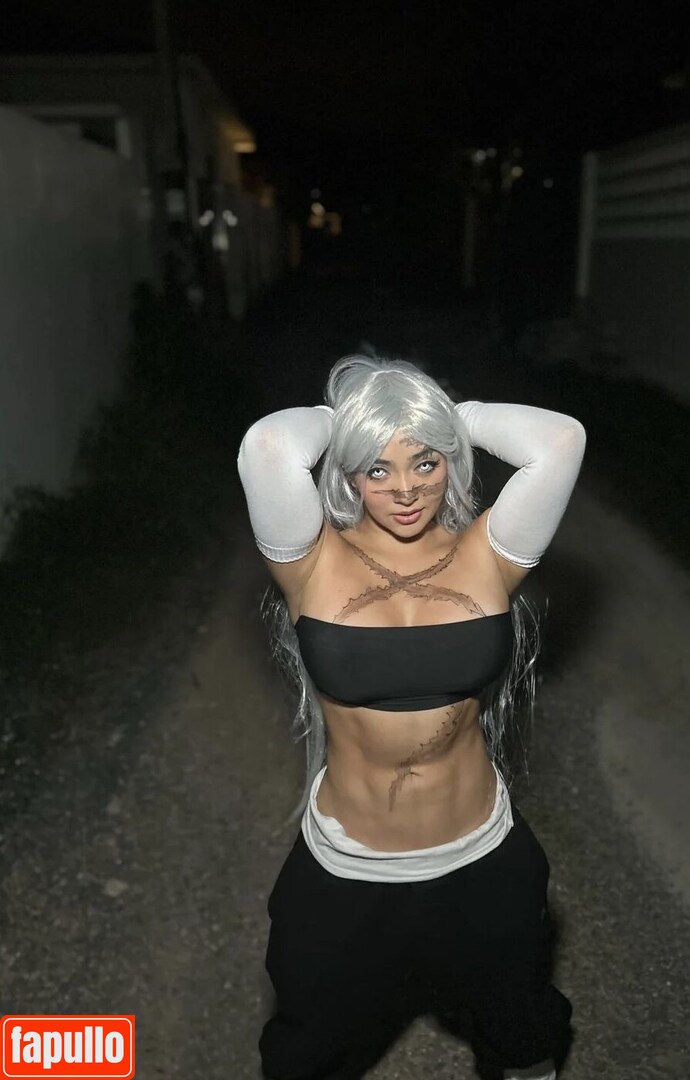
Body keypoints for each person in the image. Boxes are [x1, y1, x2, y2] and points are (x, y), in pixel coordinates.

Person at [237, 352, 587, 1080]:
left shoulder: (489, 553)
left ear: (449, 463)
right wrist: (361, 414)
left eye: (426, 463)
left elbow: (561, 441)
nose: (405, 489)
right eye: (377, 469)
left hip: (481, 857)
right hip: (348, 866)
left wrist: (443, 416)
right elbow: (268, 446)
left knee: (522, 1032)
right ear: (348, 474)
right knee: (303, 1051)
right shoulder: (311, 561)